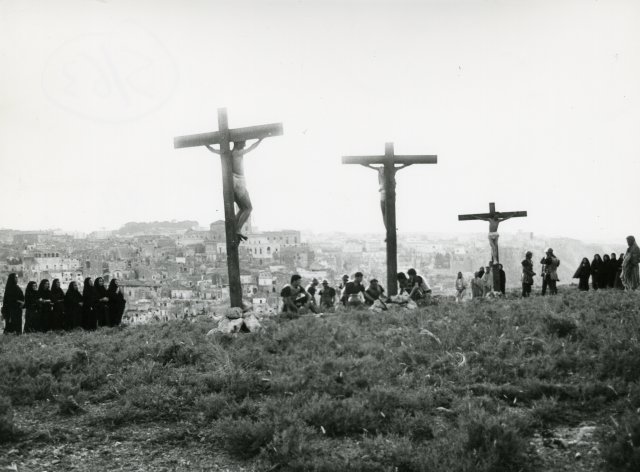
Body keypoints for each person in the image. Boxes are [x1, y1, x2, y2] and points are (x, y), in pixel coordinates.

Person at [206, 139, 263, 243]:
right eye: (243, 142)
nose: (245, 145)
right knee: (249, 208)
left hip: (231, 181)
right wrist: (261, 139)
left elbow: (213, 150)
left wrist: (206, 144)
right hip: (239, 181)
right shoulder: (239, 152)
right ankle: (237, 229)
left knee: (242, 208)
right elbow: (252, 147)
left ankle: (234, 227)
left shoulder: (227, 153)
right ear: (238, 143)